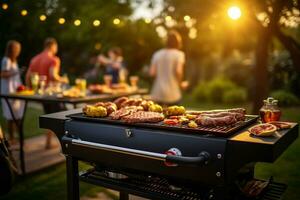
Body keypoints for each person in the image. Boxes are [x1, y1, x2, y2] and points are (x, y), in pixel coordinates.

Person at [26, 37, 68, 149]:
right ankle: (64, 145)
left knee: (49, 116)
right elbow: (53, 75)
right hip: (52, 94)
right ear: (52, 46)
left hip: (41, 94)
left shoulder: (34, 59)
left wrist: (30, 89)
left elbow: (28, 76)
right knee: (62, 118)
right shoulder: (54, 59)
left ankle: (48, 143)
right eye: (56, 47)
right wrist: (64, 79)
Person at [149, 30, 187, 106]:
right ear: (178, 42)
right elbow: (178, 71)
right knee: (176, 116)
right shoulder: (179, 54)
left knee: (156, 116)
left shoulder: (157, 54)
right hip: (173, 94)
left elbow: (152, 73)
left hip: (157, 92)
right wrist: (181, 84)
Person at [0, 40, 24, 143]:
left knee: (17, 114)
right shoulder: (6, 60)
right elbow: (3, 74)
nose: (18, 51)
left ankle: (17, 138)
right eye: (17, 49)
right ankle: (12, 138)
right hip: (8, 91)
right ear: (12, 49)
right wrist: (17, 71)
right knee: (10, 115)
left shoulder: (14, 60)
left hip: (15, 91)